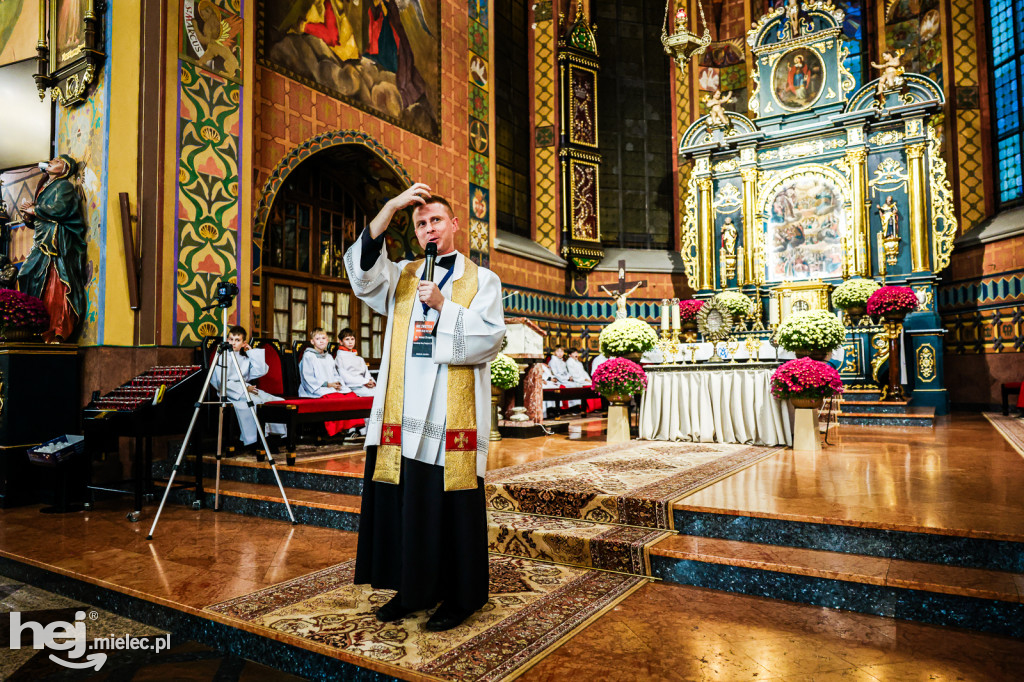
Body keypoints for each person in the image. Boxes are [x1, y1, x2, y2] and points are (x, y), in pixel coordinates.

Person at [345, 182, 505, 631]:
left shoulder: (482, 279)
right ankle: (411, 589)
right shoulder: (401, 275)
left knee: (450, 508)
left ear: (454, 224)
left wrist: (445, 306)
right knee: (408, 505)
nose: (428, 228)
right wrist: (391, 206)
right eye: (420, 223)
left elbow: (491, 338)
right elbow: (362, 274)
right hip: (401, 411)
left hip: (448, 415)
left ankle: (460, 597)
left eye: (436, 220)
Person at [16, 155, 87, 343]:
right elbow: (42, 215)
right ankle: (37, 326)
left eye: (56, 162)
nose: (51, 163)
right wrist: (29, 217)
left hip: (56, 243)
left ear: (64, 169)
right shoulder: (46, 187)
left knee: (55, 285)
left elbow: (61, 210)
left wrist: (36, 210)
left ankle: (57, 328)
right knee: (27, 275)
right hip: (42, 240)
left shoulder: (64, 186)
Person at [209, 326, 287, 451]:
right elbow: (220, 382)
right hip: (232, 392)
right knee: (255, 402)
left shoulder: (245, 359)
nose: (233, 343)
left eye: (237, 340)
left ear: (243, 343)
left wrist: (251, 352)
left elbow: (261, 371)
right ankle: (256, 440)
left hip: (247, 389)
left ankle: (275, 437)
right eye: (231, 339)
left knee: (274, 401)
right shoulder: (222, 357)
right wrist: (245, 388)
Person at [299, 327, 351, 398]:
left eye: (323, 338)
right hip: (316, 389)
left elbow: (335, 374)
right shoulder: (308, 356)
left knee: (351, 394)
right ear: (312, 341)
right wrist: (327, 384)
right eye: (317, 339)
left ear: (327, 340)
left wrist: (337, 383)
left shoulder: (329, 357)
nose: (321, 341)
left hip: (332, 387)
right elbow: (308, 378)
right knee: (337, 397)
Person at [335, 327, 377, 397]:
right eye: (347, 339)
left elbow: (367, 374)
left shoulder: (360, 359)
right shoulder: (339, 358)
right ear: (341, 341)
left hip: (365, 385)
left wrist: (371, 382)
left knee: (383, 393)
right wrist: (365, 382)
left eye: (352, 339)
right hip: (353, 387)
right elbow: (345, 378)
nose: (350, 342)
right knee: (377, 395)